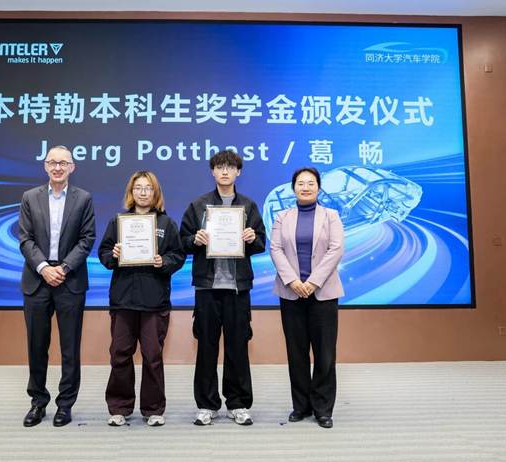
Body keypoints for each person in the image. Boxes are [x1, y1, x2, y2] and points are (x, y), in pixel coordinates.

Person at [180, 150, 266, 426]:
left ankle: (238, 403)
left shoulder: (248, 206)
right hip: (207, 287)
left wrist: (251, 238)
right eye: (219, 167)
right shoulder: (199, 205)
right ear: (213, 172)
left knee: (237, 347)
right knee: (206, 347)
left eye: (230, 167)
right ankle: (207, 404)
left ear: (238, 172)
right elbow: (182, 241)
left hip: (238, 288)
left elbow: (261, 242)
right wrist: (195, 239)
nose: (225, 172)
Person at [98, 171, 185, 427]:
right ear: (131, 192)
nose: (143, 192)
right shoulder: (118, 222)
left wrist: (163, 261)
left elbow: (178, 256)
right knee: (119, 354)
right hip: (123, 300)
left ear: (155, 193)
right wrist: (114, 254)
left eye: (148, 188)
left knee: (152, 356)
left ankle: (153, 409)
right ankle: (120, 407)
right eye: (138, 188)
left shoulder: (166, 224)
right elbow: (104, 254)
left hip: (154, 301)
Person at [18, 145, 96, 427]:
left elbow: (87, 239)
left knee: (69, 348)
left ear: (72, 167)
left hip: (69, 280)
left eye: (63, 163)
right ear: (45, 166)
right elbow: (25, 239)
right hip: (37, 280)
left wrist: (62, 268)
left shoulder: (83, 198)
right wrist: (44, 268)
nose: (58, 167)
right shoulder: (30, 197)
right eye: (53, 162)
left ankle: (65, 405)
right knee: (36, 346)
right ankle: (38, 402)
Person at [269, 167, 344, 429]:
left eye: (311, 183)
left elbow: (336, 249)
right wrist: (293, 281)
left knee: (325, 354)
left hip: (323, 293)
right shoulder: (282, 216)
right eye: (300, 183)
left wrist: (313, 282)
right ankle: (300, 406)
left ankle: (323, 409)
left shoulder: (331, 216)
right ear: (293, 188)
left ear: (319, 187)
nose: (305, 187)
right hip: (291, 293)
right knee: (296, 352)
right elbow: (275, 249)